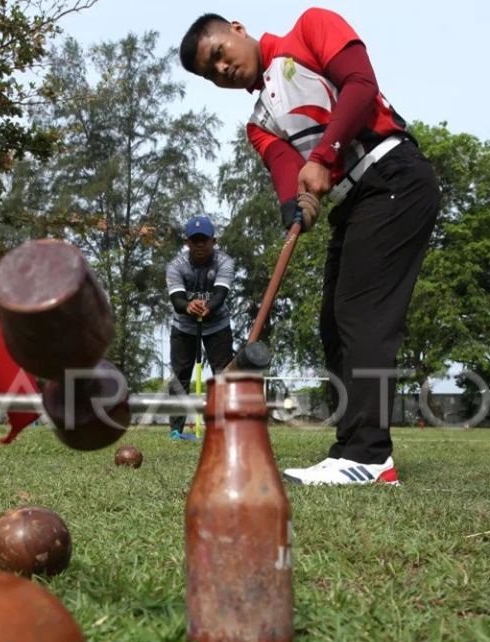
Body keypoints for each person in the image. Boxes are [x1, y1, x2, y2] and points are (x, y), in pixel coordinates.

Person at [180, 9, 440, 484]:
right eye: (210, 73)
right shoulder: (258, 123)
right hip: (355, 203)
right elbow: (286, 173)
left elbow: (360, 86)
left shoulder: (311, 27)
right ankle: (352, 450)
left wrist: (323, 157)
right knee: (333, 324)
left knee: (360, 314)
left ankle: (368, 456)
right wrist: (294, 209)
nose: (221, 70)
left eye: (219, 54)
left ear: (237, 30)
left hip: (393, 176)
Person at [165, 215, 236, 441]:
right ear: (187, 242)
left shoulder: (224, 262)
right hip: (184, 326)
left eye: (203, 240)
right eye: (194, 240)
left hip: (218, 326)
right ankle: (176, 430)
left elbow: (220, 295)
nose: (199, 245)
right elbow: (177, 302)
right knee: (180, 376)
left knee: (223, 375)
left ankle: (220, 427)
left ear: (213, 241)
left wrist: (207, 307)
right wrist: (188, 306)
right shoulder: (176, 266)